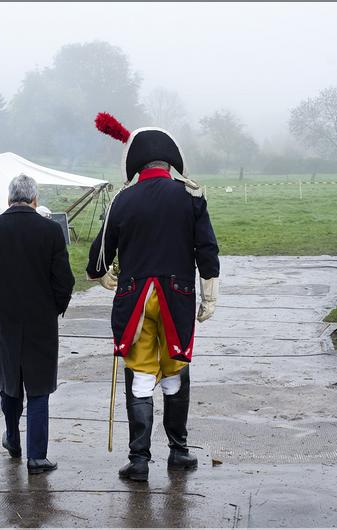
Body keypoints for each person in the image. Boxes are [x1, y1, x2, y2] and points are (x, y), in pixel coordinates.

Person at [86, 113, 220, 482]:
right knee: (174, 373)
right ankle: (178, 451)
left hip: (136, 299)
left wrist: (102, 275)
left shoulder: (122, 200)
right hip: (177, 298)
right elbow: (206, 248)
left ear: (136, 164)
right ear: (170, 161)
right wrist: (209, 292)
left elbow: (99, 255)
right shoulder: (190, 196)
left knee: (142, 377)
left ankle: (139, 460)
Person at [0, 174, 75, 475]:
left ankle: (13, 440)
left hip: (6, 319)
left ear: (8, 198)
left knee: (10, 382)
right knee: (39, 388)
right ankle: (37, 457)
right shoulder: (51, 231)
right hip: (41, 319)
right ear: (35, 200)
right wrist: (54, 308)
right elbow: (63, 280)